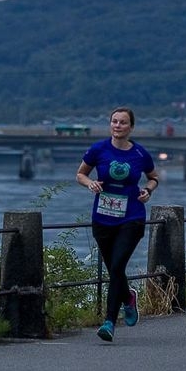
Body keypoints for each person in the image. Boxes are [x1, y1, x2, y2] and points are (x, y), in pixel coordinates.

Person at [76, 107, 160, 342]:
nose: (118, 126)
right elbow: (80, 174)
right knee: (114, 267)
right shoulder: (98, 149)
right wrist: (90, 183)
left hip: (131, 217)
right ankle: (128, 298)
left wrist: (148, 190)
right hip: (103, 217)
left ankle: (109, 322)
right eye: (114, 121)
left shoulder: (140, 154)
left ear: (131, 127)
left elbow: (154, 177)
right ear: (110, 124)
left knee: (116, 267)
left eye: (123, 122)